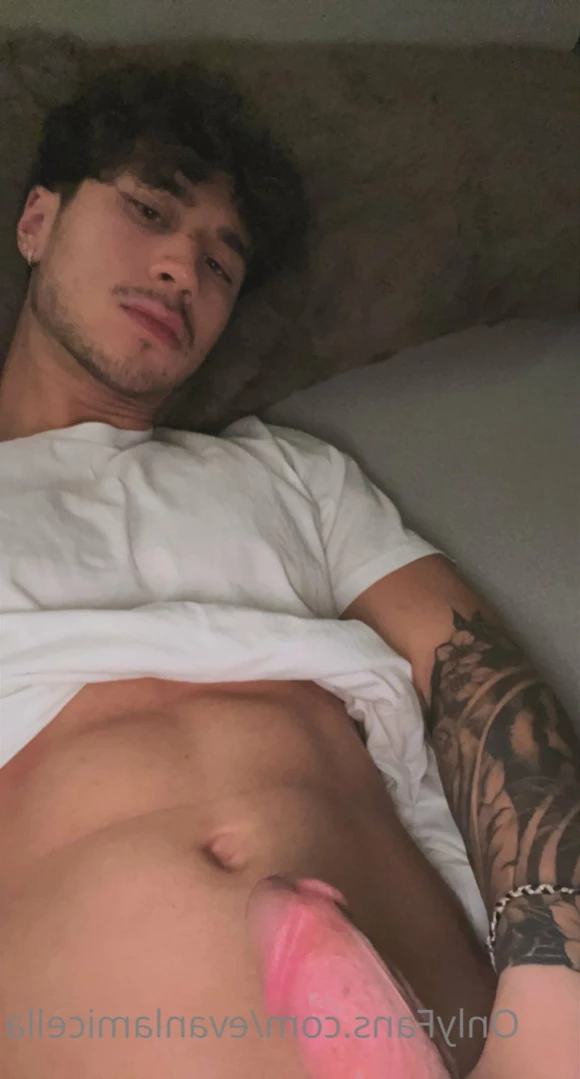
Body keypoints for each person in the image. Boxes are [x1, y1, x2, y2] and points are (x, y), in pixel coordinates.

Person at [0, 61, 577, 1079]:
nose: (182, 269)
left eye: (221, 263)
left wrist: (556, 991)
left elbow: (471, 669)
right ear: (38, 221)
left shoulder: (290, 474)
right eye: (149, 210)